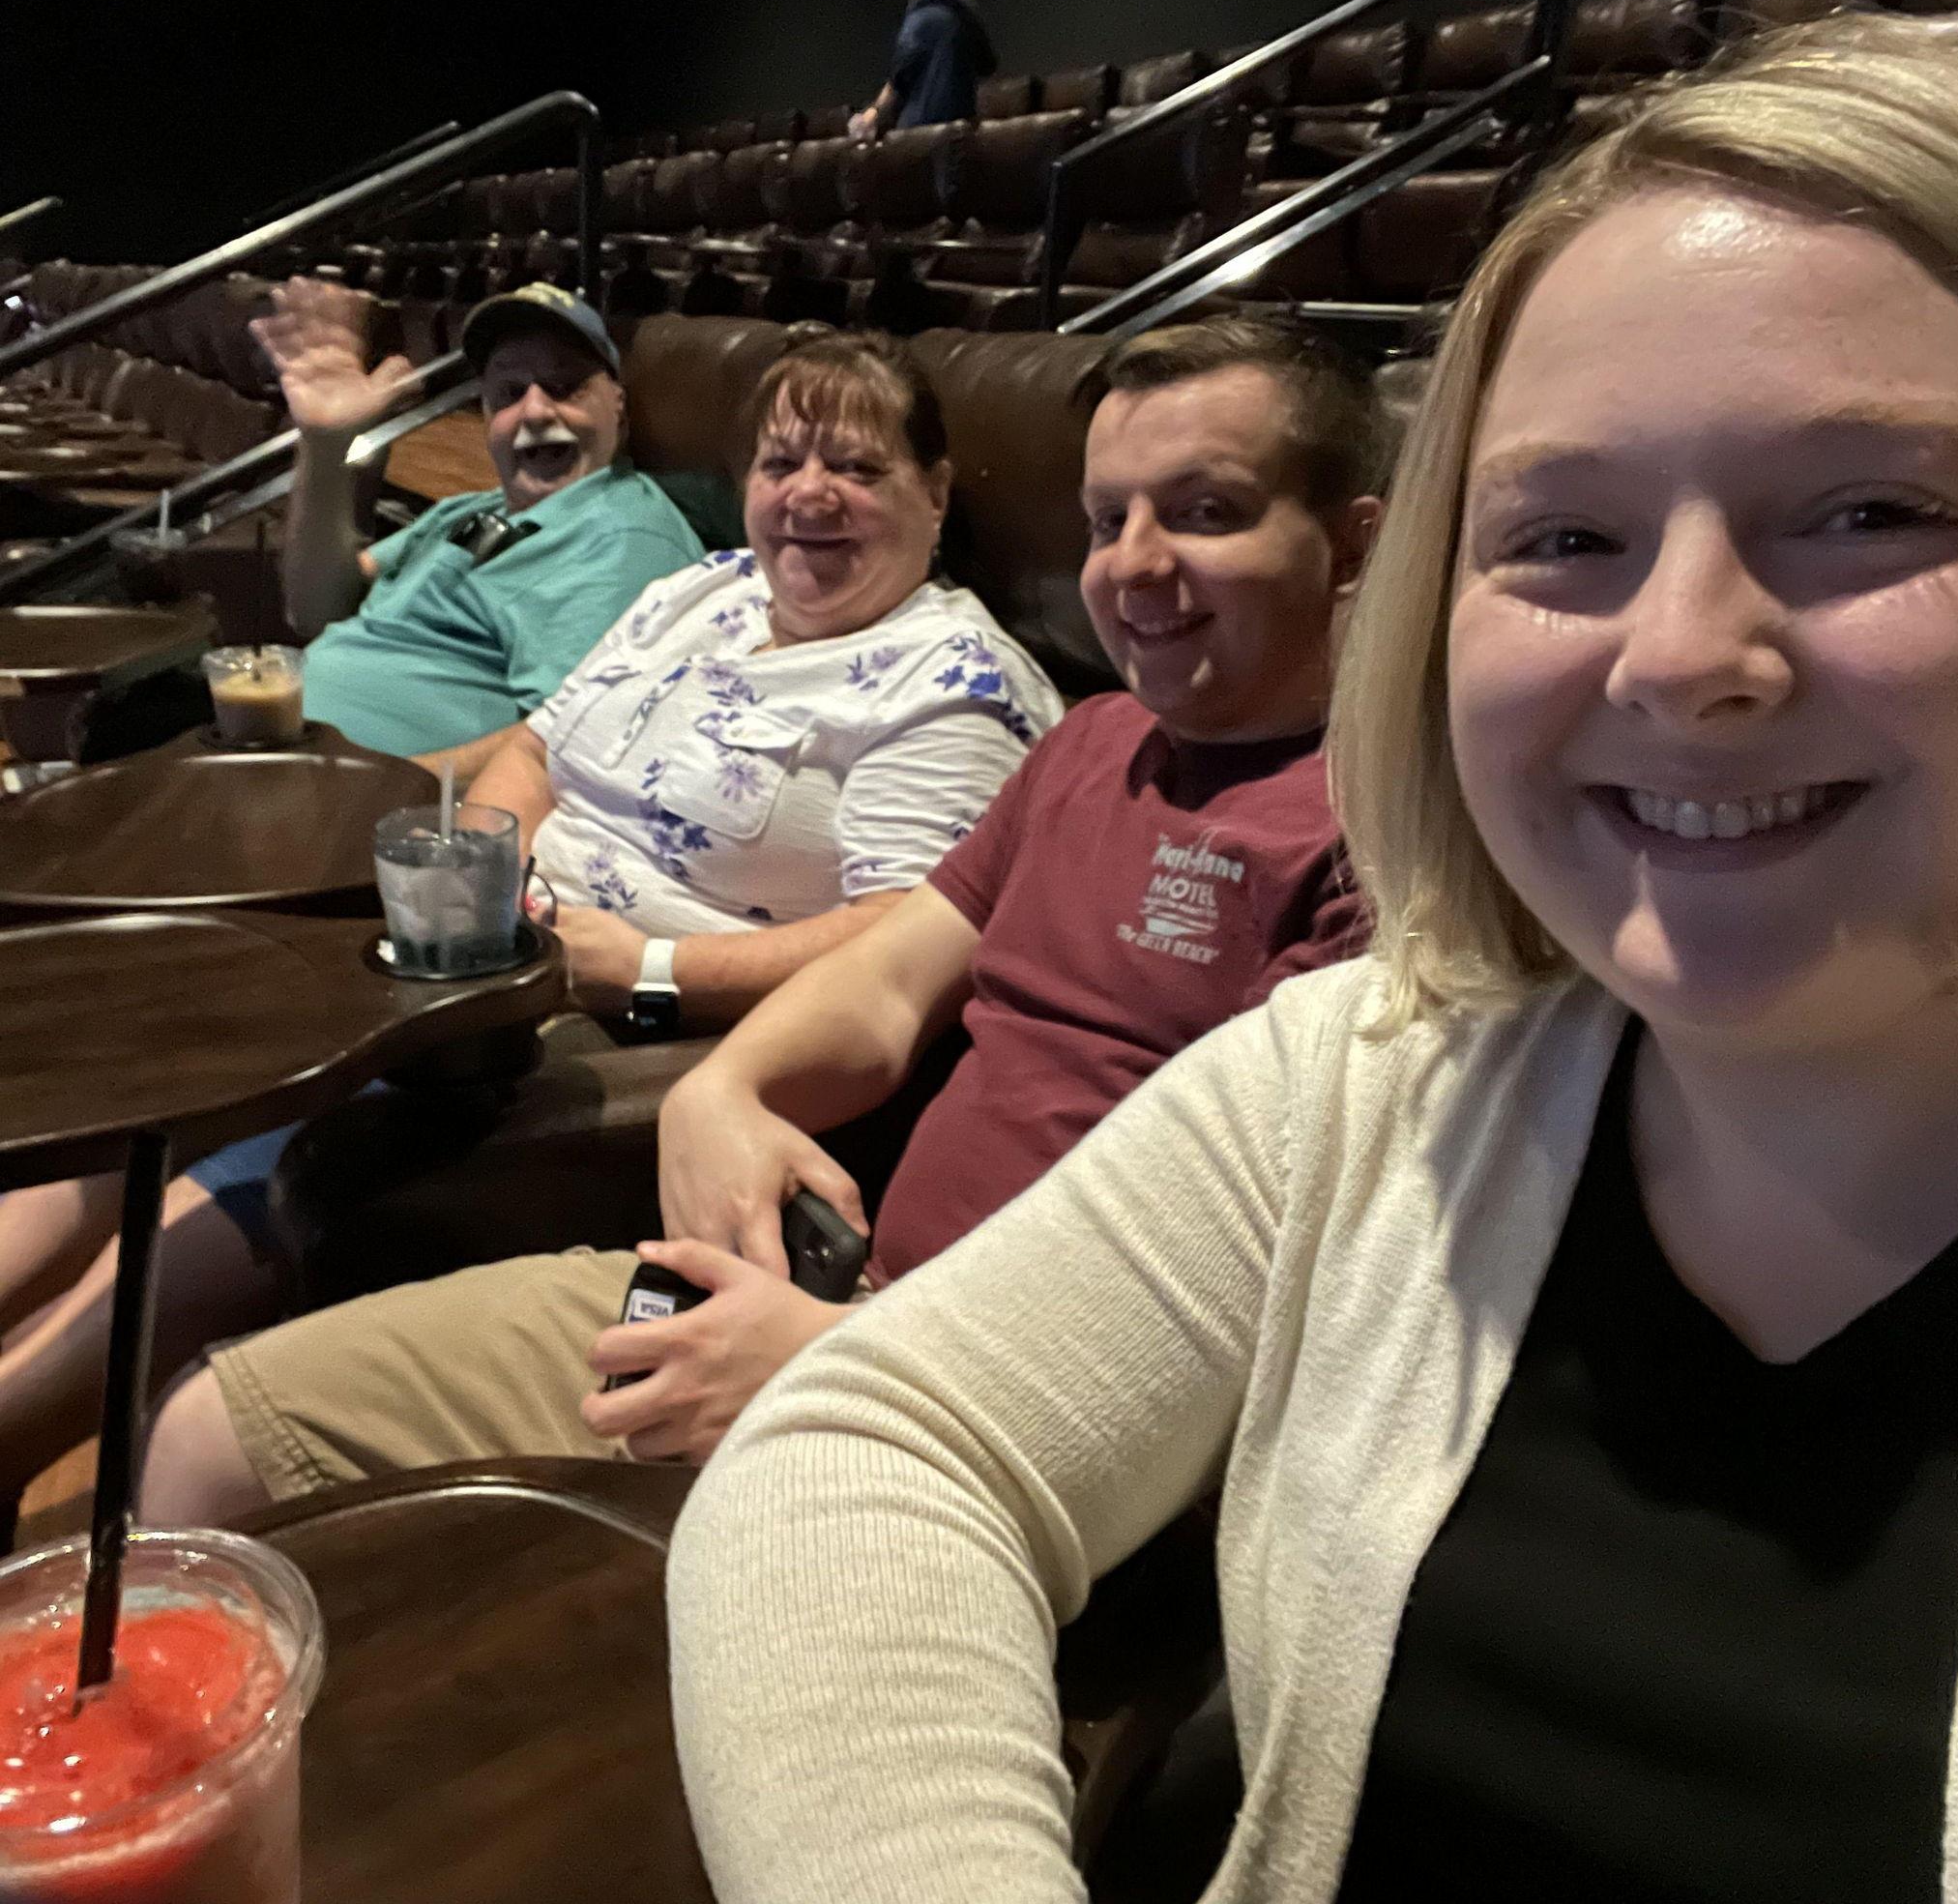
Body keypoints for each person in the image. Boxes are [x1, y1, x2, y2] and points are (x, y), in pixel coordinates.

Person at [639, 13, 1958, 1902]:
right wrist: (706, 1075)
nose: (1678, 651)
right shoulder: (1372, 1072)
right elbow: (877, 1438)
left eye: (1872, 509)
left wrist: (640, 993)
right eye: (1566, 531)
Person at [137, 313, 1385, 1515]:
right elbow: (894, 977)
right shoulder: (1097, 740)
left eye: (1206, 511)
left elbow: (1258, 1294)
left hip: (966, 1413)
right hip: (826, 1287)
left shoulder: (1380, 842)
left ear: (1355, 544)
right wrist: (721, 1095)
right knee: (208, 1435)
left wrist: (848, 1353)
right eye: (1110, 519)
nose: (1135, 565)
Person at [0, 329, 1059, 1523]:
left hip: (626, 1026)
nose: (807, 494)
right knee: (168, 1052)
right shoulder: (702, 590)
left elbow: (894, 938)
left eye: (857, 469)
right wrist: (480, 877)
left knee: (246, 1135)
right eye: (779, 463)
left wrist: (645, 964)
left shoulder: (949, 684)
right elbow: (536, 748)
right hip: (491, 949)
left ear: (933, 489)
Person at [259, 277, 705, 774]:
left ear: (618, 408)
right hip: (294, 757)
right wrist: (325, 445)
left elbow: (569, 740)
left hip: (380, 809)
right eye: (510, 392)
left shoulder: (617, 536)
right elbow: (314, 607)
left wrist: (393, 792)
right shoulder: (475, 514)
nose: (535, 410)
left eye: (564, 387)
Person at [850, 0, 996, 139]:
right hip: (959, 126)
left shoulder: (916, 20)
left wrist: (874, 110)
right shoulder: (967, 17)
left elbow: (900, 75)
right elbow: (988, 65)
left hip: (916, 128)